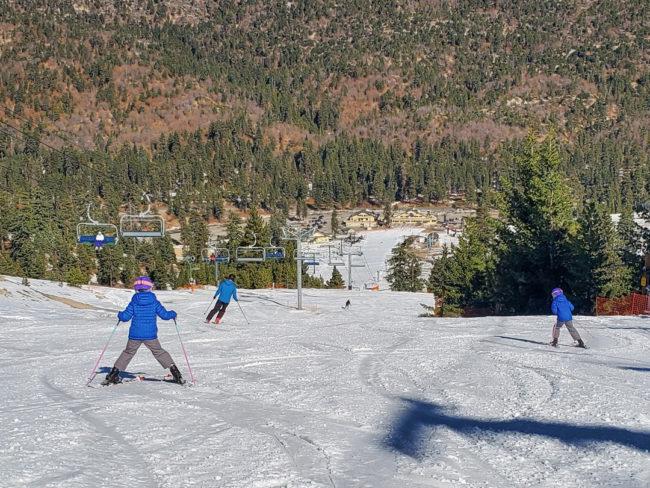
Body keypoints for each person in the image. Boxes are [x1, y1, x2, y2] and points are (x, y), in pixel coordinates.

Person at [103, 276, 185, 385]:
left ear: (136, 289)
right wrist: (173, 314)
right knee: (159, 352)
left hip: (135, 335)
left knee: (128, 353)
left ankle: (113, 375)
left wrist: (120, 315)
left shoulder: (134, 302)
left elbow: (125, 317)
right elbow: (165, 315)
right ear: (150, 287)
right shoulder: (154, 302)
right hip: (150, 335)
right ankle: (176, 374)